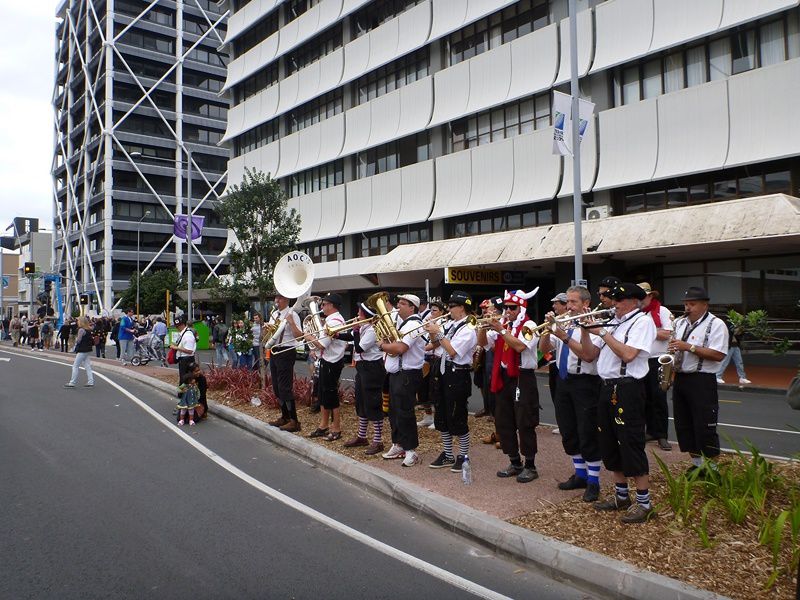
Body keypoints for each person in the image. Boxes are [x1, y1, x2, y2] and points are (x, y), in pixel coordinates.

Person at [580, 282, 656, 524]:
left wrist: (602, 332)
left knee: (630, 441)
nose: (614, 304)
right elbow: (590, 355)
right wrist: (584, 330)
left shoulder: (642, 322)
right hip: (607, 386)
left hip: (628, 388)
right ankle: (621, 495)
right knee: (609, 441)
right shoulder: (618, 323)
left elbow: (629, 354)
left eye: (619, 300)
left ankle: (644, 502)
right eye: (613, 299)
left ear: (634, 301)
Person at [540, 286, 604, 501]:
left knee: (587, 430)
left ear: (585, 304)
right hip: (564, 380)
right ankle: (580, 474)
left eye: (573, 302)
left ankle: (594, 481)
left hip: (586, 382)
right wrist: (548, 330)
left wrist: (563, 336)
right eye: (567, 302)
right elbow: (546, 349)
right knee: (568, 428)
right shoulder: (565, 322)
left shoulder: (594, 323)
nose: (568, 306)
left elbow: (588, 355)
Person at [480, 289, 541, 484]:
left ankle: (530, 465)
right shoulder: (503, 324)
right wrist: (482, 326)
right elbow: (483, 344)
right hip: (504, 376)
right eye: (506, 307)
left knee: (524, 421)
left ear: (521, 307)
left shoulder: (530, 325)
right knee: (503, 420)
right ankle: (515, 462)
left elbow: (520, 346)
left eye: (512, 307)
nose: (508, 310)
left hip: (523, 375)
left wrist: (500, 329)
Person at [669, 286, 729, 472]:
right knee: (684, 425)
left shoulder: (716, 324)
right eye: (686, 304)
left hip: (702, 380)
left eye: (692, 304)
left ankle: (712, 470)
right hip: (681, 378)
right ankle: (696, 466)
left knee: (705, 427)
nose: (688, 307)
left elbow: (719, 354)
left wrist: (689, 347)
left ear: (705, 304)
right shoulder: (679, 323)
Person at [425, 291, 478, 473]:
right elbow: (436, 344)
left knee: (458, 416)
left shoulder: (469, 329)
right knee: (441, 415)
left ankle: (463, 456)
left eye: (451, 306)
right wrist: (433, 332)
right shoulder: (449, 325)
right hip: (441, 370)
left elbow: (453, 351)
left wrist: (438, 333)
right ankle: (448, 454)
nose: (448, 309)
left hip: (457, 374)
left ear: (462, 308)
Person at [379, 293, 426, 467]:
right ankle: (399, 444)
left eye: (402, 303)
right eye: (398, 302)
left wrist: (382, 345)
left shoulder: (414, 325)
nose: (398, 305)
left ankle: (411, 450)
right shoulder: (403, 323)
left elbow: (400, 347)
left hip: (407, 374)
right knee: (394, 412)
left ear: (412, 307)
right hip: (396, 374)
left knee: (405, 412)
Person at [342, 301, 386, 455]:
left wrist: (355, 331)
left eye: (360, 313)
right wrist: (336, 334)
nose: (357, 316)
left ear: (366, 316)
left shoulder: (372, 330)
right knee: (361, 402)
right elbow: (351, 336)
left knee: (373, 403)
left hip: (372, 368)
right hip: (362, 367)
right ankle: (362, 436)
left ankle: (378, 440)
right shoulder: (363, 328)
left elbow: (360, 347)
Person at [636, 282, 674, 451]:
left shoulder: (662, 311)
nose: (640, 300)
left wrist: (647, 330)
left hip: (658, 359)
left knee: (659, 399)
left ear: (651, 296)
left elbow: (667, 333)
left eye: (643, 296)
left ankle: (661, 435)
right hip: (641, 359)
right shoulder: (635, 314)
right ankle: (648, 431)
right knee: (642, 398)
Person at [306, 293, 347, 442]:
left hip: (332, 361)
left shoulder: (335, 321)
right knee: (323, 394)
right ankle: (323, 426)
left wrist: (310, 337)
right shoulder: (330, 320)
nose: (321, 307)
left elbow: (323, 344)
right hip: (326, 359)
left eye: (323, 304)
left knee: (331, 395)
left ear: (331, 305)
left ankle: (336, 428)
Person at [267, 294, 304, 432]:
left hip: (287, 350)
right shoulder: (274, 314)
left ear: (287, 300)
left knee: (285, 386)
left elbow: (299, 337)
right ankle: (285, 416)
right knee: (276, 387)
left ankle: (295, 421)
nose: (277, 300)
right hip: (275, 350)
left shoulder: (292, 314)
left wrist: (291, 323)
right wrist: (267, 329)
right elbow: (271, 334)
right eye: (276, 298)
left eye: (280, 298)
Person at [417, 297, 445, 429]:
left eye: (435, 310)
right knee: (423, 388)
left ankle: (436, 417)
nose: (432, 312)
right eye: (431, 310)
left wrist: (420, 348)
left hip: (435, 358)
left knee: (434, 389)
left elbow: (436, 343)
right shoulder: (427, 321)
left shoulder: (443, 323)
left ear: (441, 311)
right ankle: (427, 416)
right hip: (424, 359)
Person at [547, 293, 569, 434]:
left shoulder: (568, 321)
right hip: (557, 365)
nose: (554, 306)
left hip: (569, 368)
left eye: (556, 303)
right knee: (557, 397)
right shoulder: (558, 321)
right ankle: (563, 424)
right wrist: (548, 330)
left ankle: (566, 425)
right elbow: (548, 347)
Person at [716, 312, 751, 385]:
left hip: (735, 346)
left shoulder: (738, 325)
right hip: (729, 346)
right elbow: (731, 332)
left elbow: (740, 335)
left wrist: (741, 329)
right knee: (724, 362)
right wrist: (738, 328)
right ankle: (718, 376)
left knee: (739, 362)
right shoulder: (728, 324)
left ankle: (742, 377)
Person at [64, 316, 95, 388]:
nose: (77, 322)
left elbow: (78, 340)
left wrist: (74, 344)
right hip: (88, 349)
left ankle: (72, 382)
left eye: (78, 321)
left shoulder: (81, 330)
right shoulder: (89, 329)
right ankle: (91, 381)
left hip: (82, 349)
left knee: (75, 366)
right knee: (87, 366)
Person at [170, 316, 197, 381]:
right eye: (176, 326)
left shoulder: (187, 335)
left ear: (183, 325)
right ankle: (183, 390)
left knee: (185, 380)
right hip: (183, 359)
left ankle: (184, 391)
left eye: (178, 326)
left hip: (186, 359)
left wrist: (176, 348)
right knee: (183, 379)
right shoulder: (183, 333)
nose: (177, 328)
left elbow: (189, 351)